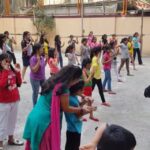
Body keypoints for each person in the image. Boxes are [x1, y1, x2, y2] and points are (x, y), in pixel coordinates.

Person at [23, 65, 94, 150]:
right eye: (78, 79)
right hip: (45, 122)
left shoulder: (53, 80)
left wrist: (82, 95)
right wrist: (81, 109)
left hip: (34, 116)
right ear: (73, 78)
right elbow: (66, 108)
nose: (77, 82)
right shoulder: (64, 88)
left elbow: (69, 93)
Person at [0, 53, 23, 150]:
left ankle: (10, 138)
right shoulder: (2, 72)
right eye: (5, 61)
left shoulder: (11, 70)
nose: (8, 63)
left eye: (9, 60)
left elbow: (19, 83)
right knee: (2, 122)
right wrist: (5, 71)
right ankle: (0, 142)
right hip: (4, 101)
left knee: (12, 121)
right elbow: (1, 85)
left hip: (15, 99)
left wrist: (17, 72)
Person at [65, 80, 96, 150]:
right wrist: (89, 110)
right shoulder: (71, 99)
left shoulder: (73, 96)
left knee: (70, 146)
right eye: (82, 89)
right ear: (76, 90)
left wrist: (85, 101)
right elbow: (78, 114)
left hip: (74, 128)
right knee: (73, 147)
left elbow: (78, 106)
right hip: (74, 129)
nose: (83, 91)